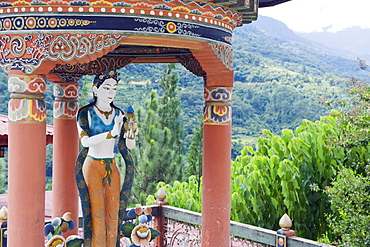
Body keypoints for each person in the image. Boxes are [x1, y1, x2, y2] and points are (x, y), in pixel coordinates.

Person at [75, 70, 137, 247]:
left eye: (114, 89)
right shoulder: (85, 113)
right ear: (95, 89)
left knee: (113, 212)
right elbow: (86, 141)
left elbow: (129, 146)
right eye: (107, 88)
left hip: (112, 165)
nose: (111, 93)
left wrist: (131, 134)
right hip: (93, 165)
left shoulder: (118, 113)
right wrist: (111, 134)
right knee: (97, 213)